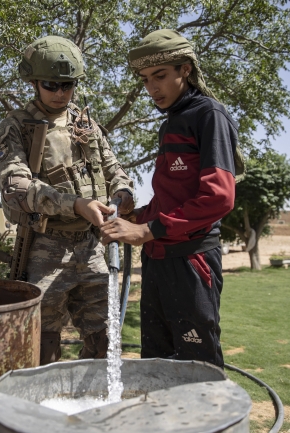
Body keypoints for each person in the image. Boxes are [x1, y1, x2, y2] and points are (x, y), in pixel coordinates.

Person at [0, 36, 134, 365]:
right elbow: (17, 188)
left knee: (106, 343)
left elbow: (115, 171)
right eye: (52, 85)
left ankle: (92, 407)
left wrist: (122, 195)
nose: (60, 94)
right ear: (33, 82)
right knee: (42, 348)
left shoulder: (87, 126)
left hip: (92, 248)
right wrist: (76, 205)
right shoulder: (15, 128)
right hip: (45, 249)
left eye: (67, 86)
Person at [99, 29, 239, 368]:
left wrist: (146, 231)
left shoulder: (209, 115)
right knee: (156, 363)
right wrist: (134, 219)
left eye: (160, 76)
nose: (152, 88)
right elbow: (171, 198)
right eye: (146, 80)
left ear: (185, 70)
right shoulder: (171, 122)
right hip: (158, 260)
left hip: (190, 260)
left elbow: (218, 197)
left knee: (195, 367)